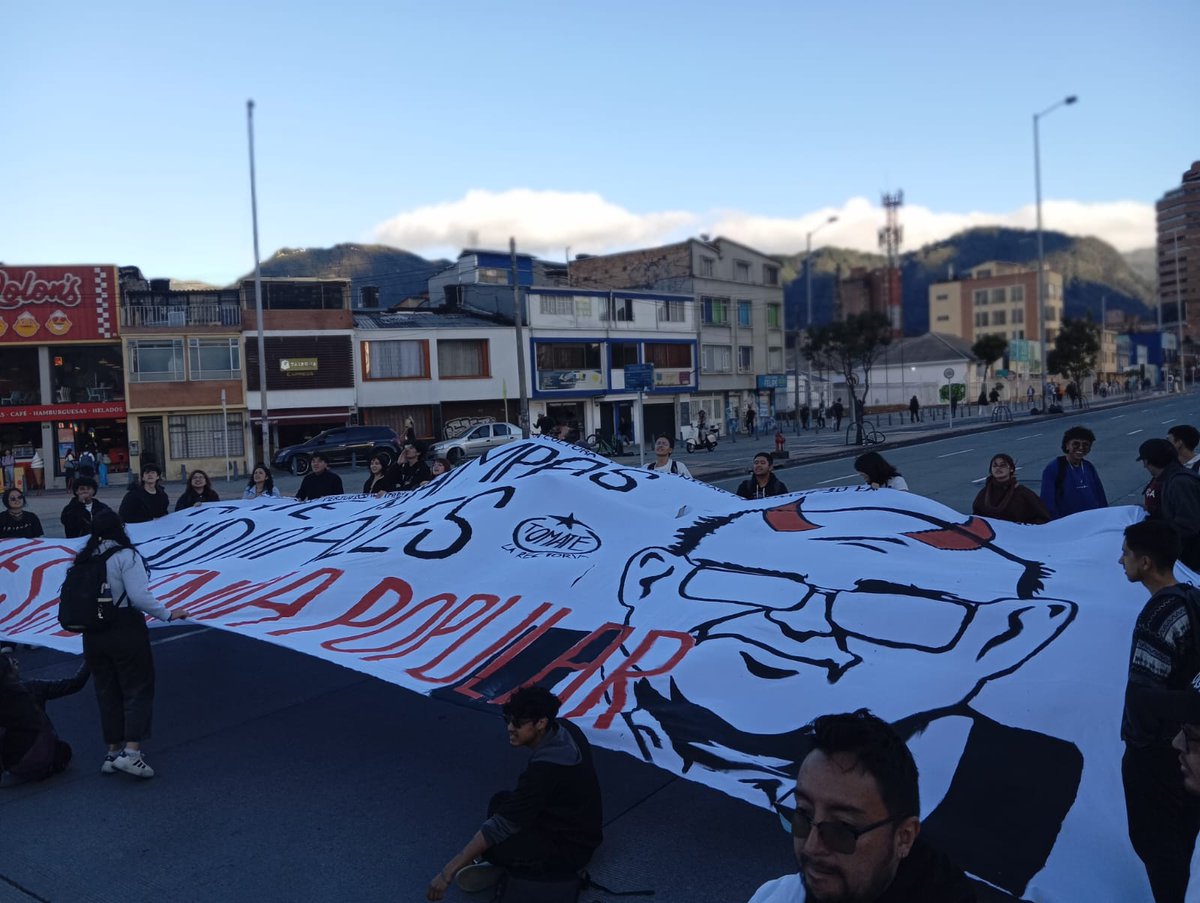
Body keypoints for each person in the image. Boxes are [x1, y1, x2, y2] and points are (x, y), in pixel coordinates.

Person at [747, 709, 976, 903]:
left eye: (842, 828)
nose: (811, 847)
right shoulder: (778, 896)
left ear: (904, 837)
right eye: (803, 815)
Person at [426, 686, 602, 900]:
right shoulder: (566, 729)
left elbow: (499, 827)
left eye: (518, 723)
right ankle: (511, 862)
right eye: (507, 720)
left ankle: (521, 867)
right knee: (500, 801)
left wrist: (447, 873)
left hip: (574, 847)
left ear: (541, 723)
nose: (510, 728)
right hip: (567, 819)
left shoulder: (547, 769)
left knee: (496, 844)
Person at [1120, 519, 1200, 902]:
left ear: (1146, 562)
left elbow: (1142, 696)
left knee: (1157, 844)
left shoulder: (1160, 615)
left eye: (1127, 554)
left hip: (1157, 755)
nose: (1122, 561)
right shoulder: (1193, 598)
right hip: (1187, 753)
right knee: (1180, 839)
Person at [75, 510, 187, 778]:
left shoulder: (84, 557)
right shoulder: (126, 556)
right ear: (119, 528)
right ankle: (132, 752)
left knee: (107, 690)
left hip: (92, 633)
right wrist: (168, 614)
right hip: (124, 627)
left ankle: (112, 751)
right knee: (137, 687)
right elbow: (139, 596)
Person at [0, 653, 89, 782]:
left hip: (11, 764)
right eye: (13, 662)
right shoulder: (32, 688)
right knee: (62, 750)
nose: (17, 662)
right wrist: (91, 658)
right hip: (40, 758)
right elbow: (75, 683)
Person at [1138, 438, 1200, 572]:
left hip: (1193, 558)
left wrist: (1154, 533)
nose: (1144, 466)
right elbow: (1174, 512)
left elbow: (1189, 525)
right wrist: (1152, 512)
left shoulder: (1179, 482)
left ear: (1148, 461)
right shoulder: (1171, 479)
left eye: (1144, 462)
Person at [1039, 426, 1107, 519]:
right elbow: (1047, 501)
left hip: (1092, 521)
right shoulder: (1054, 468)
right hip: (1068, 524)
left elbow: (1100, 496)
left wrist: (1105, 516)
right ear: (1067, 445)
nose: (1081, 447)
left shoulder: (1088, 467)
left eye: (1086, 444)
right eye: (1076, 444)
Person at [971, 454, 1051, 525]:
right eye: (995, 466)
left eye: (1003, 465)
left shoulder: (1023, 493)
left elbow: (1043, 518)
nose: (998, 468)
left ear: (1011, 469)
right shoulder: (984, 494)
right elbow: (976, 518)